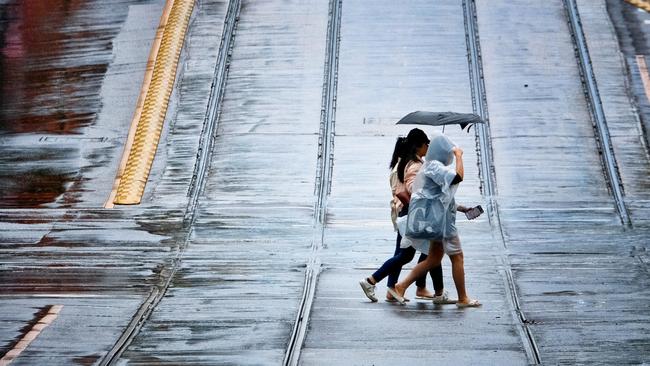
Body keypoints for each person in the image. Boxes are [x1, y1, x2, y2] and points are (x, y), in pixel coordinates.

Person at [359, 128, 455, 304]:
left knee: (420, 253)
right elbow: (411, 189)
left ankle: (422, 290)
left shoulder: (414, 162)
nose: (428, 147)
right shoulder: (414, 165)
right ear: (419, 145)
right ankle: (372, 281)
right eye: (427, 144)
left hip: (413, 213)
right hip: (414, 214)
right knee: (417, 254)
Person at [389, 133, 480, 308]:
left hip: (441, 220)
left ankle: (400, 286)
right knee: (457, 257)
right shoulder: (433, 166)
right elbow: (458, 176)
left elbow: (442, 195)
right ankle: (463, 298)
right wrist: (459, 156)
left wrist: (462, 208)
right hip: (443, 223)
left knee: (433, 259)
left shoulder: (431, 166)